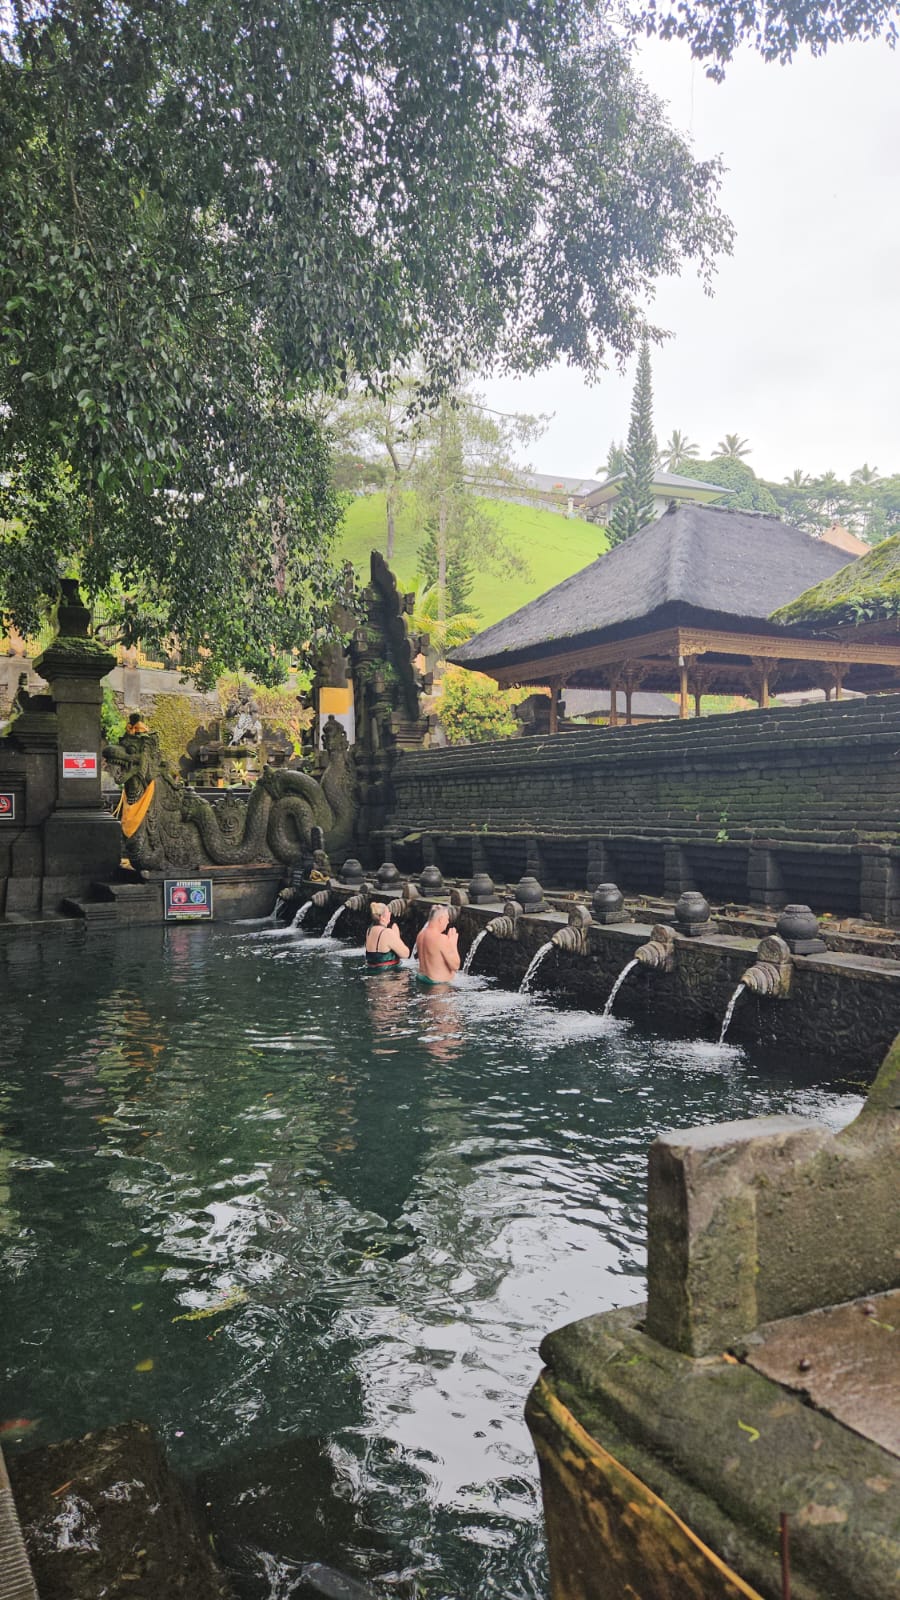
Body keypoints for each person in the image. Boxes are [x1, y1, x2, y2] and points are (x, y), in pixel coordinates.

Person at [414, 904, 460, 985]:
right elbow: (455, 966)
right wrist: (453, 944)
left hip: (422, 981)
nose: (448, 922)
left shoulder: (420, 935)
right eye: (447, 919)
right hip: (439, 988)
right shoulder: (441, 938)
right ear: (441, 919)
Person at [365, 902, 410, 968]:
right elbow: (405, 954)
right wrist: (396, 936)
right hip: (388, 974)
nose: (390, 913)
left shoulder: (369, 930)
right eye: (388, 911)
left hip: (371, 972)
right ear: (382, 917)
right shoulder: (387, 932)